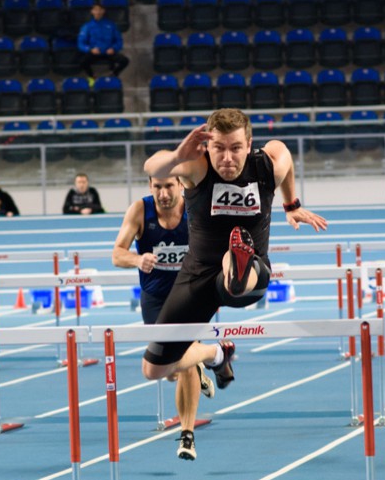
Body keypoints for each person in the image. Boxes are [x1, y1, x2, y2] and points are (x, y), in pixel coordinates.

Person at [140, 108, 328, 460]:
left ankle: (236, 257)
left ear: (249, 144)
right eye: (219, 148)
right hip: (196, 277)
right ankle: (216, 353)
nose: (227, 157)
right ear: (207, 147)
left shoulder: (268, 162)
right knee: (153, 370)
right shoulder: (197, 166)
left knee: (236, 271)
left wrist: (292, 204)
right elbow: (154, 168)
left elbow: (284, 157)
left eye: (236, 148)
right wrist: (180, 156)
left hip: (250, 273)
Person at [112, 175, 214, 460]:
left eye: (169, 185)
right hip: (156, 300)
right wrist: (137, 259)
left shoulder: (195, 209)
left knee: (182, 367)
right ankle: (210, 354)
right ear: (149, 187)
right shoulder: (139, 210)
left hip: (191, 297)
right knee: (168, 371)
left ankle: (187, 435)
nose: (163, 192)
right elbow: (117, 253)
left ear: (181, 185)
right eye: (157, 186)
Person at [77, 4, 129, 80]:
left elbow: (119, 40)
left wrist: (113, 48)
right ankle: (91, 77)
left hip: (108, 52)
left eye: (99, 10)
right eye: (95, 10)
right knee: (82, 62)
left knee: (125, 61)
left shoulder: (111, 25)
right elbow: (80, 43)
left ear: (103, 11)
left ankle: (114, 74)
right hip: (94, 52)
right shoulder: (87, 26)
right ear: (92, 11)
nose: (97, 12)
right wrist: (90, 49)